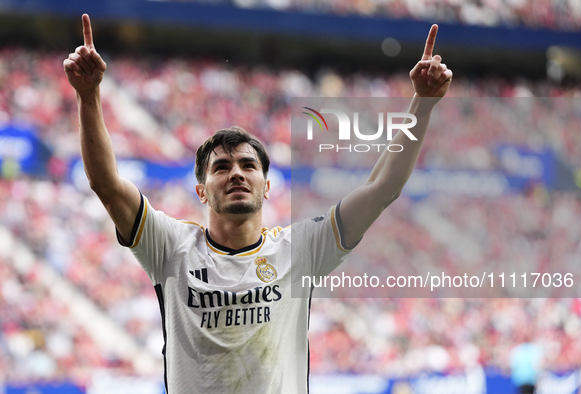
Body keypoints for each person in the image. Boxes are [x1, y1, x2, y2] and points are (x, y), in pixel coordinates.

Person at [63, 13, 452, 394]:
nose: (236, 173)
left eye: (248, 165)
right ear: (201, 191)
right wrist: (88, 95)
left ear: (266, 187)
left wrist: (423, 103)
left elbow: (382, 187)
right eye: (221, 167)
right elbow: (106, 185)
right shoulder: (172, 248)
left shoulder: (300, 249)